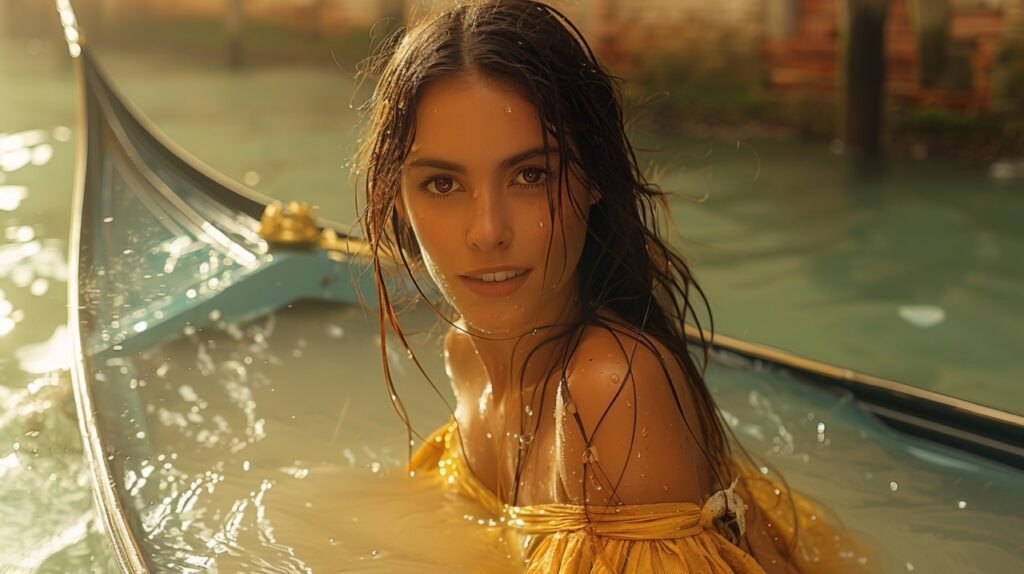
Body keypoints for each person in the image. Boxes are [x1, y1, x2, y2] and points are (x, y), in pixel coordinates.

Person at [355, 1, 868, 572]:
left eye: (531, 176)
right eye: (443, 183)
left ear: (594, 178)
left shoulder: (611, 387)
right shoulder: (465, 353)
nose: (488, 232)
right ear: (397, 197)